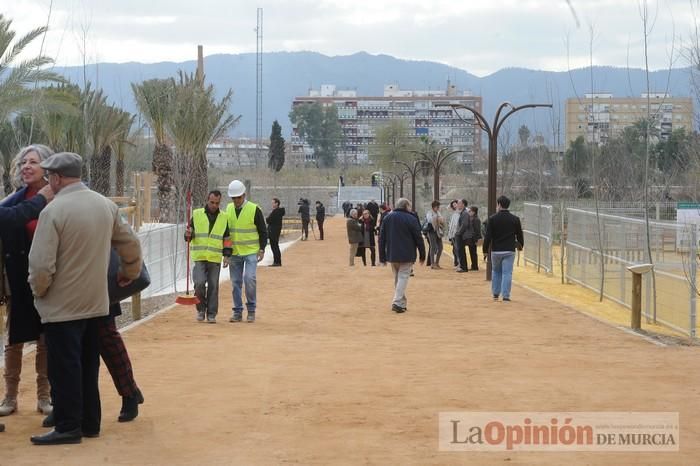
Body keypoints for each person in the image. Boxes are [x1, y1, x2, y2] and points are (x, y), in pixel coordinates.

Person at [28, 152, 142, 445]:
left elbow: (41, 265)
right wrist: (130, 271)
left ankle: (68, 426)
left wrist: (39, 292)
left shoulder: (52, 212)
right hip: (96, 304)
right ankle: (91, 423)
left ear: (55, 178)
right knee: (89, 366)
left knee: (65, 368)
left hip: (62, 308)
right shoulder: (105, 205)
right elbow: (129, 242)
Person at [0, 145, 56, 421]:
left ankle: (44, 396)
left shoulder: (59, 199)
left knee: (46, 339)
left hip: (51, 281)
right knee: (14, 339)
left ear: (48, 167)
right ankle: (9, 396)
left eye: (33, 161)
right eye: (23, 161)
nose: (26, 166)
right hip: (19, 281)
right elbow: (7, 220)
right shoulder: (13, 201)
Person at [185, 190, 231, 323]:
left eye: (217, 203)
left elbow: (227, 238)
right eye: (212, 202)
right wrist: (188, 234)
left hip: (214, 258)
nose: (214, 205)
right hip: (199, 257)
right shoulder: (197, 214)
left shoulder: (224, 217)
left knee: (213, 286)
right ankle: (200, 309)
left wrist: (226, 255)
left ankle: (211, 314)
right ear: (207, 200)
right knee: (199, 284)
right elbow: (189, 233)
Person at [226, 180, 267, 323]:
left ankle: (251, 309)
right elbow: (226, 233)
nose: (236, 200)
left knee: (249, 279)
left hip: (251, 252)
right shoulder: (229, 209)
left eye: (238, 197)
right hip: (235, 252)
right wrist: (226, 253)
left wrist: (262, 249)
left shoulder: (255, 209)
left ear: (244, 195)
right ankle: (237, 311)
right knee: (235, 282)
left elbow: (263, 231)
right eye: (234, 198)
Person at [378, 198, 426, 313]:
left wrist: (382, 257)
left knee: (398, 279)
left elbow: (381, 238)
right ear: (406, 206)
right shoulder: (411, 218)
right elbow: (418, 238)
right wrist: (423, 255)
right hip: (407, 254)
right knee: (403, 278)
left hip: (392, 253)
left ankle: (401, 303)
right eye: (409, 206)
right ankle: (397, 302)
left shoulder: (387, 217)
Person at [482, 195, 524, 302]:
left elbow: (488, 236)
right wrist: (520, 245)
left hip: (496, 250)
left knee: (496, 271)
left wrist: (485, 250)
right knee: (507, 273)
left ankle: (495, 293)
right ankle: (506, 295)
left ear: (499, 205)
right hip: (509, 250)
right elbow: (520, 234)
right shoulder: (515, 219)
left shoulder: (492, 219)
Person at [426, 200, 445, 269]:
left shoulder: (438, 213)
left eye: (438, 207)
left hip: (438, 231)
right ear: (433, 207)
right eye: (437, 207)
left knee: (440, 247)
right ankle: (432, 263)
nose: (438, 208)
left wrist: (439, 219)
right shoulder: (429, 213)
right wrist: (437, 219)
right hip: (431, 231)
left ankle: (437, 263)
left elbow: (442, 220)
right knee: (433, 247)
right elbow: (430, 220)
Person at [266, 198, 285, 266]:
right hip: (276, 230)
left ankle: (277, 262)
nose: (272, 204)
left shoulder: (276, 211)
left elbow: (268, 220)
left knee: (274, 247)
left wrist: (268, 218)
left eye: (273, 203)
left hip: (273, 231)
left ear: (277, 203)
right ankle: (277, 261)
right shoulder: (279, 211)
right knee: (275, 246)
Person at [453, 199, 469, 273]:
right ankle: (462, 266)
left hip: (461, 235)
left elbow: (464, 224)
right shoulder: (462, 213)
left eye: (459, 203)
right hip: (460, 234)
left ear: (463, 204)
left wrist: (458, 233)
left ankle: (463, 267)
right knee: (460, 251)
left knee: (461, 250)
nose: (457, 205)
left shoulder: (465, 213)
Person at [466, 206, 482, 271]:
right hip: (471, 238)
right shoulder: (472, 218)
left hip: (473, 238)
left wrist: (476, 239)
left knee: (473, 252)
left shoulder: (476, 219)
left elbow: (477, 230)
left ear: (474, 212)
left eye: (470, 211)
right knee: (472, 252)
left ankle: (475, 266)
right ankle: (474, 265)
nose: (469, 212)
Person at [446, 200, 460, 268]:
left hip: (456, 233)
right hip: (453, 234)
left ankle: (458, 263)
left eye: (455, 204)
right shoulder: (454, 213)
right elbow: (447, 208)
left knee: (457, 249)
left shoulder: (460, 212)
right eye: (453, 205)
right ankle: (456, 262)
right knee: (454, 249)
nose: (454, 206)